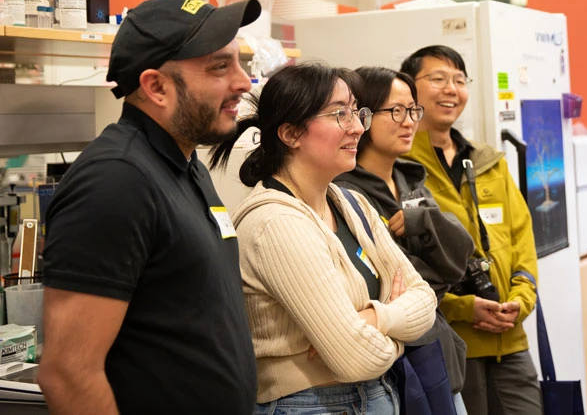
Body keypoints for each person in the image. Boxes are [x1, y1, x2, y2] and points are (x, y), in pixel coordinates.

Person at [38, 0, 260, 415]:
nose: (243, 82)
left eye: (240, 62)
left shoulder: (184, 163)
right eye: (219, 66)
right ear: (155, 87)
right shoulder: (117, 180)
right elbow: (68, 373)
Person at [209, 62, 437, 415]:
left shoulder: (352, 203)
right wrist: (394, 326)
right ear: (290, 133)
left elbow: (425, 301)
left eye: (356, 112)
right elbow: (356, 358)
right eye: (339, 114)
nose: (358, 126)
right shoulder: (276, 223)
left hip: (375, 395)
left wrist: (373, 321)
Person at [401, 45, 542, 415]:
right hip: (448, 342)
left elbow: (521, 237)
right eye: (437, 79)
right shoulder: (400, 167)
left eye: (459, 80)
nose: (451, 89)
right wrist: (464, 308)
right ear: (408, 90)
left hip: (510, 337)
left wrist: (522, 298)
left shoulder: (486, 160)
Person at [335, 65, 476, 413]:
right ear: (362, 116)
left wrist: (422, 222)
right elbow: (387, 284)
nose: (409, 121)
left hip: (436, 351)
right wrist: (430, 278)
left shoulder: (411, 182)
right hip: (392, 365)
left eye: (412, 110)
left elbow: (459, 263)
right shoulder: (345, 193)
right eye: (395, 111)